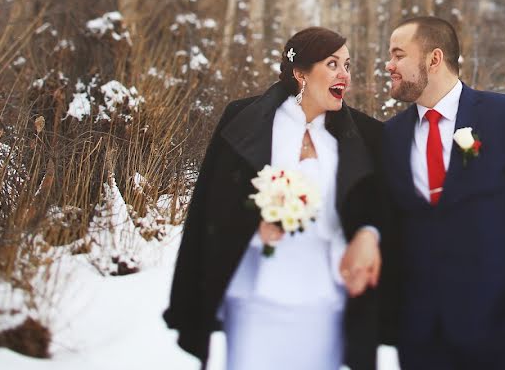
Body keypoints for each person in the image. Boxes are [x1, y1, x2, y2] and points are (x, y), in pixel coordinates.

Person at [163, 27, 387, 370]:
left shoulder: (365, 134)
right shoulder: (245, 120)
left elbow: (378, 204)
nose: (345, 74)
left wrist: (369, 235)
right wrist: (255, 227)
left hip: (325, 300)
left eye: (347, 64)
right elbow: (211, 204)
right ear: (300, 73)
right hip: (256, 298)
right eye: (332, 64)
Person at [380, 16, 505, 370]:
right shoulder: (392, 136)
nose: (389, 65)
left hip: (499, 328)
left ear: (434, 59)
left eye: (398, 55)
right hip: (419, 335)